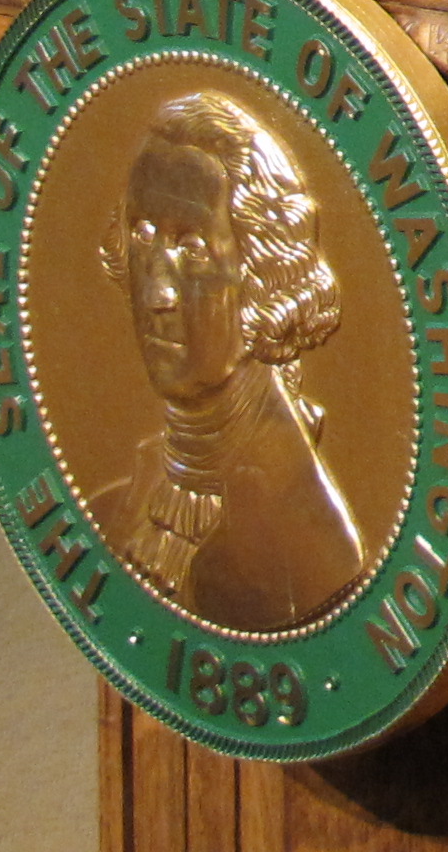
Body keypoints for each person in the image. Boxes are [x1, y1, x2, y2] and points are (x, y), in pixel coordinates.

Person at [90, 91, 371, 630]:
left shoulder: (312, 552)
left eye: (191, 247)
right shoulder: (112, 508)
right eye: (142, 236)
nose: (157, 294)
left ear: (265, 275)